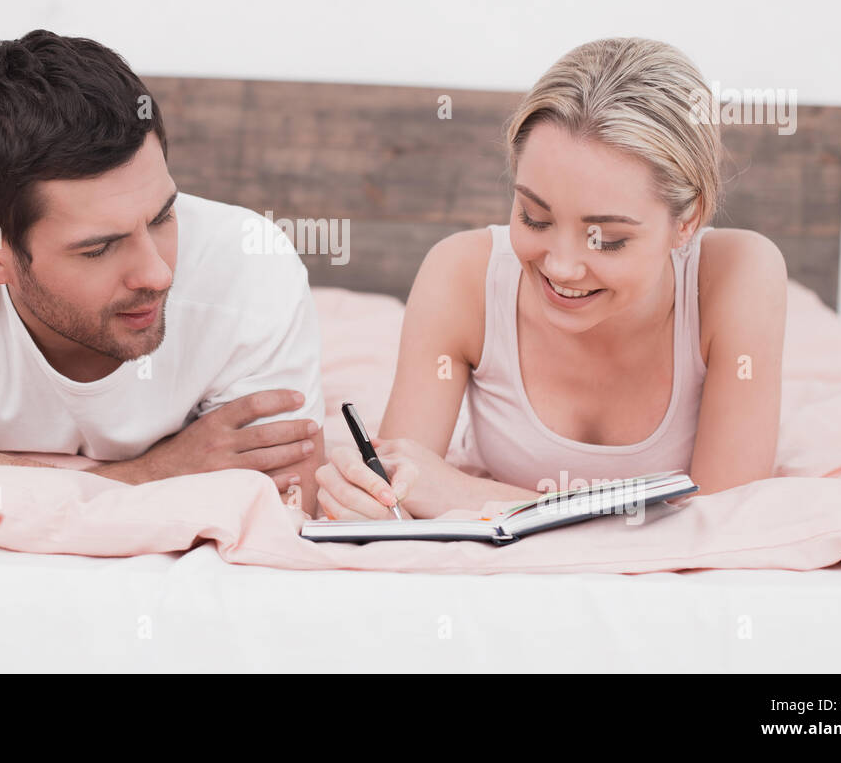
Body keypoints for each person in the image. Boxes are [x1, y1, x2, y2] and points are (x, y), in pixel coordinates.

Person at [0, 30, 325, 515]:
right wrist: (147, 474)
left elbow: (285, 507)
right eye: (99, 248)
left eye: (162, 217)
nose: (156, 274)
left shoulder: (250, 265)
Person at [314, 37, 786, 520]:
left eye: (606, 239)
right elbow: (403, 491)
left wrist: (476, 498)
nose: (561, 268)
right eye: (535, 217)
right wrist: (364, 504)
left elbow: (727, 525)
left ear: (687, 221)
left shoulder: (740, 277)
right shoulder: (460, 275)